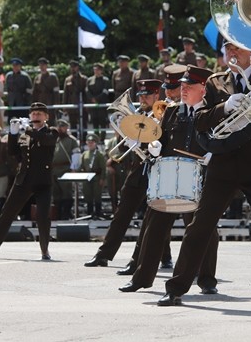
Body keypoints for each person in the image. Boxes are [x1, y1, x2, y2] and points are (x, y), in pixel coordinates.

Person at [158, 40, 251, 309]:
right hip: (223, 163)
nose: (232, 53)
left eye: (238, 48)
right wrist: (227, 108)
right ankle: (176, 287)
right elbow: (201, 119)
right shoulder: (216, 83)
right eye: (228, 48)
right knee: (200, 225)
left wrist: (250, 125)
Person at [120, 65, 219, 294]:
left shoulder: (213, 112)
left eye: (188, 86)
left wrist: (212, 153)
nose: (182, 90)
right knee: (153, 226)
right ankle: (141, 278)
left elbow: (221, 140)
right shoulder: (172, 112)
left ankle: (206, 280)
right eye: (181, 86)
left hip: (199, 178)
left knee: (204, 230)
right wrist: (154, 147)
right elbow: (161, 139)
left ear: (203, 88)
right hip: (168, 177)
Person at [84, 79, 164, 268]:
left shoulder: (163, 114)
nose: (143, 99)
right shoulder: (138, 116)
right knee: (122, 213)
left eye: (147, 95)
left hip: (157, 171)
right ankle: (104, 254)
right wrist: (129, 140)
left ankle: (149, 258)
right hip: (137, 169)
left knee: (155, 216)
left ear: (156, 96)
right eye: (141, 96)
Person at [0, 102, 60, 260]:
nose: (36, 117)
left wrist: (28, 129)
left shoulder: (52, 132)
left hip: (43, 181)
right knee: (8, 212)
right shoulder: (26, 133)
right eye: (33, 114)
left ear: (46, 117)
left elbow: (45, 140)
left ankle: (44, 250)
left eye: (39, 114)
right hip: (25, 178)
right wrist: (13, 134)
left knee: (42, 216)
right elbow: (13, 152)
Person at [51, 119, 81, 220]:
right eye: (59, 127)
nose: (60, 128)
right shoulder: (54, 139)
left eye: (62, 127)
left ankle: (66, 213)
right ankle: (57, 213)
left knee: (66, 192)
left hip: (65, 169)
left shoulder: (72, 140)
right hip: (53, 169)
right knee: (56, 193)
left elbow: (76, 155)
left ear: (66, 128)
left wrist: (73, 169)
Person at [80, 134, 107, 219]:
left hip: (96, 177)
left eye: (92, 142)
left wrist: (102, 178)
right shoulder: (84, 154)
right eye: (89, 142)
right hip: (87, 177)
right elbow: (81, 166)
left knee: (97, 195)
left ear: (95, 143)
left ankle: (98, 212)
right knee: (88, 195)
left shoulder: (99, 154)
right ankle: (89, 212)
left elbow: (103, 168)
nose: (90, 144)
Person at [86, 63, 110, 142]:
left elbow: (105, 91)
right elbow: (87, 90)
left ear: (101, 71)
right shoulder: (89, 80)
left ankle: (102, 139)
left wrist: (97, 99)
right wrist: (91, 99)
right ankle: (96, 138)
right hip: (93, 106)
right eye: (94, 69)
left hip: (102, 105)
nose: (96, 71)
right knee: (95, 122)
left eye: (97, 70)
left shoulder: (105, 80)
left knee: (102, 122)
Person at [63, 60, 88, 136]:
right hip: (71, 105)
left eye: (74, 67)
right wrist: (65, 106)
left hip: (81, 105)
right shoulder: (68, 79)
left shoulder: (84, 79)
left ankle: (83, 141)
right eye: (71, 67)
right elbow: (65, 94)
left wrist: (87, 105)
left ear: (78, 68)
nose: (72, 69)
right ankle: (74, 140)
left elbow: (86, 93)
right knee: (73, 124)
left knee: (83, 124)